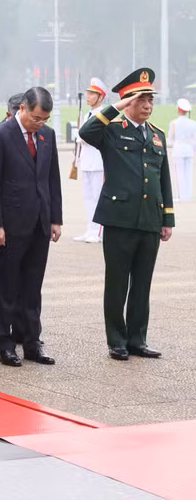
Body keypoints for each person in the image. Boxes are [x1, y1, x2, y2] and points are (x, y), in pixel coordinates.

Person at [78, 68, 174, 361]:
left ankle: (137, 339)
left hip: (149, 220)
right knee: (117, 283)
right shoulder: (111, 130)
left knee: (142, 284)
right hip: (119, 220)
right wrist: (116, 106)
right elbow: (86, 132)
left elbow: (163, 180)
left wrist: (167, 219)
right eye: (141, 100)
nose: (147, 105)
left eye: (150, 100)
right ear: (127, 101)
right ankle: (117, 340)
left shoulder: (156, 135)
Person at [0, 87, 61, 367]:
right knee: (4, 285)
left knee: (32, 286)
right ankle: (4, 341)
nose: (39, 123)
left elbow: (52, 179)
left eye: (44, 119)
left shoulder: (47, 135)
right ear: (22, 109)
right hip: (8, 225)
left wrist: (55, 218)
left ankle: (31, 341)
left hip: (39, 223)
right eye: (36, 118)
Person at [74, 78, 107, 242]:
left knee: (98, 198)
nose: (88, 96)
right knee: (88, 198)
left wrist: (81, 136)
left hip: (98, 162)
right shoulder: (87, 114)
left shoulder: (103, 115)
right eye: (88, 93)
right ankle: (90, 229)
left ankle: (98, 232)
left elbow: (93, 136)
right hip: (87, 161)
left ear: (100, 97)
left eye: (92, 94)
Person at [168, 98, 196, 202]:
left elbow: (171, 138)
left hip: (178, 150)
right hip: (189, 150)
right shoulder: (193, 123)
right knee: (188, 174)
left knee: (180, 174)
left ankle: (182, 196)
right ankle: (187, 196)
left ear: (179, 109)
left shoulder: (173, 123)